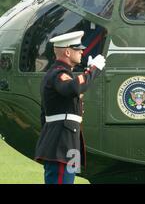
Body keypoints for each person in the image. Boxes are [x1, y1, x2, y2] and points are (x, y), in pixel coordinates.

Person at [34, 31, 106, 184]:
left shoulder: (62, 74)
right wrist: (93, 70)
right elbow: (73, 88)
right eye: (77, 48)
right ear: (67, 51)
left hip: (69, 142)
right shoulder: (57, 74)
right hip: (61, 142)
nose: (82, 51)